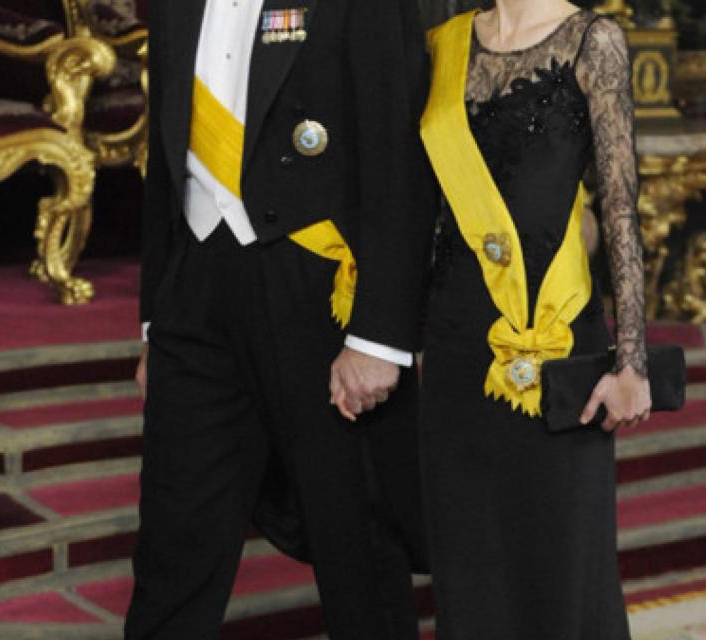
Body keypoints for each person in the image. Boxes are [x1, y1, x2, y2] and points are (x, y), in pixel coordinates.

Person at [125, 1, 436, 638]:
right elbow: (165, 148)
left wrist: (381, 335)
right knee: (171, 547)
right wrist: (156, 319)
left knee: (355, 547)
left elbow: (396, 149)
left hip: (318, 285)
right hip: (196, 284)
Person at [418, 1, 651, 637]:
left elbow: (621, 209)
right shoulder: (444, 45)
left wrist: (632, 362)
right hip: (456, 348)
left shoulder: (593, 40)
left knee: (561, 570)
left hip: (560, 341)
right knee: (470, 573)